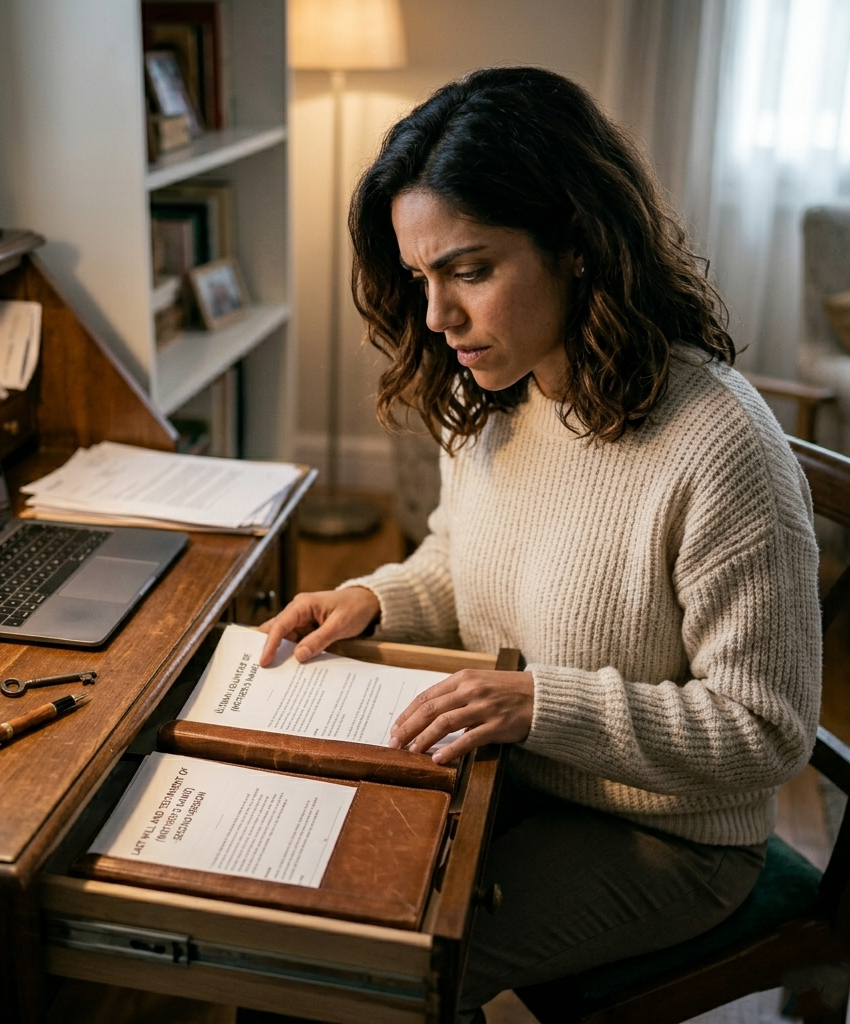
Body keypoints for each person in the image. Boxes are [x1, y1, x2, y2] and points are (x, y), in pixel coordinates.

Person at [259, 67, 822, 1021]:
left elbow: (764, 732)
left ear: (579, 246)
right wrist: (377, 599)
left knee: (349, 976)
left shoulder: (721, 447)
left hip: (672, 843)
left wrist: (538, 705)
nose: (438, 319)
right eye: (420, 279)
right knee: (291, 933)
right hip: (510, 778)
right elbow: (457, 562)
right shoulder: (496, 395)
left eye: (470, 271)